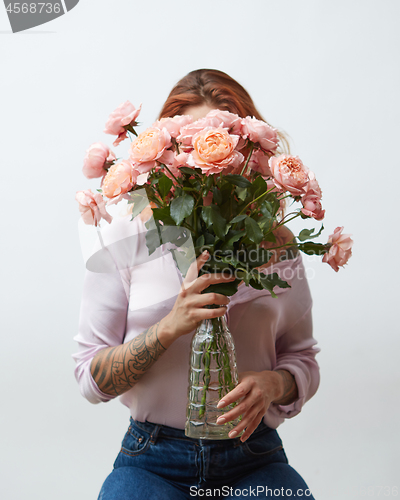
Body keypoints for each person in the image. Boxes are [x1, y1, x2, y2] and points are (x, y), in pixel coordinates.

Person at [72, 69, 320, 499]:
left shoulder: (278, 244)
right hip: (152, 459)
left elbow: (303, 359)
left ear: (250, 153)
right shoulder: (124, 238)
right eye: (189, 143)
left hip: (254, 456)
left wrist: (273, 384)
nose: (207, 156)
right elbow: (89, 377)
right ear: (165, 152)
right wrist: (170, 326)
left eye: (228, 139)